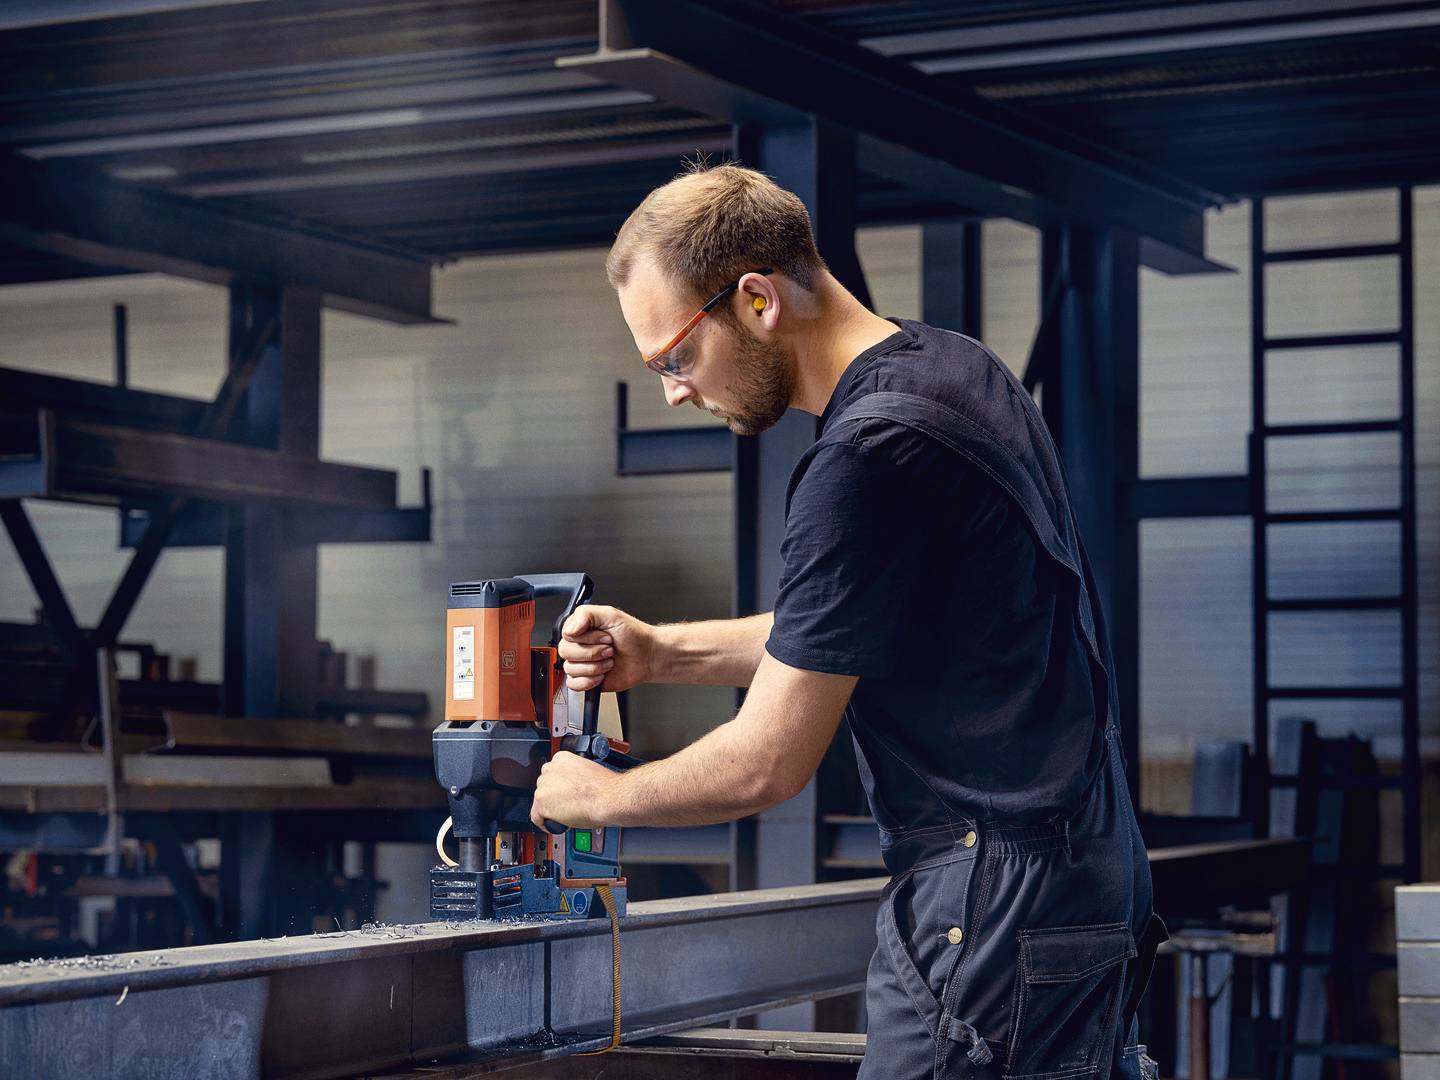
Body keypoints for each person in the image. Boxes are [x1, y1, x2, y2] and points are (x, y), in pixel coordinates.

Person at [530, 162, 1165, 1079]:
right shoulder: (956, 369)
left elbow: (766, 761)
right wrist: (662, 652)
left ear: (756, 300)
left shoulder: (864, 458)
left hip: (988, 899)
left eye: (673, 359)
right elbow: (846, 622)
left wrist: (598, 799)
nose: (673, 391)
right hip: (1084, 869)